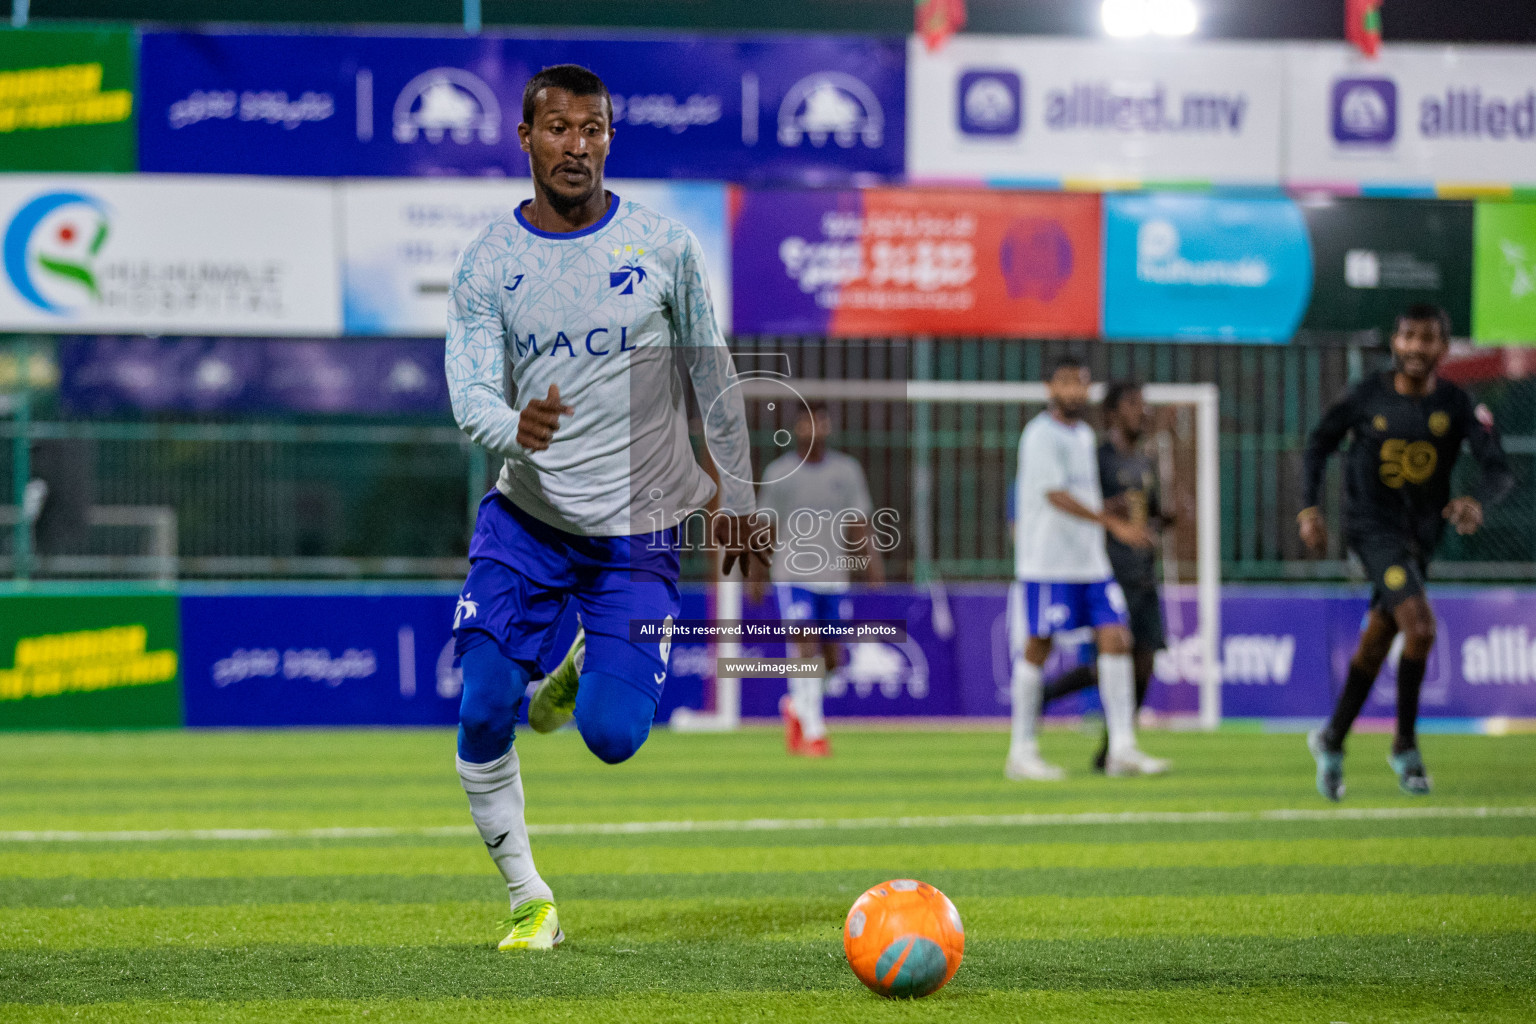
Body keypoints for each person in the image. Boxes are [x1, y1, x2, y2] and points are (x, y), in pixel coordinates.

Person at [444, 64, 765, 951]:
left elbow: (714, 374)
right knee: (482, 705)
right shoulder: (488, 263)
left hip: (637, 532)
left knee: (615, 739)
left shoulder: (663, 247)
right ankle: (528, 899)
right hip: (527, 524)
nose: (575, 145)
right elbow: (469, 394)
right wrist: (517, 426)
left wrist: (737, 493)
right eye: (557, 128)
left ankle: (586, 663)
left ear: (610, 138)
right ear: (526, 138)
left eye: (593, 129)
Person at [1300, 303, 1510, 801]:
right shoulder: (1365, 396)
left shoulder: (1458, 404)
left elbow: (1499, 468)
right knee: (1420, 627)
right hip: (1371, 530)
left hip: (1421, 536)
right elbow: (1318, 444)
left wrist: (1476, 502)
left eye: (1428, 338)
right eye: (1408, 337)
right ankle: (1406, 746)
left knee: (1378, 640)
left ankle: (1331, 739)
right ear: (1395, 342)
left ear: (1443, 346)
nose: (1417, 347)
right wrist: (1308, 509)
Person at [1007, 356, 1169, 781]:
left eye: (1080, 383)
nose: (1074, 392)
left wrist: (1108, 508)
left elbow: (1081, 494)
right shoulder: (1040, 434)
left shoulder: (1082, 435)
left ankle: (1122, 748)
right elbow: (1055, 495)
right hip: (1048, 561)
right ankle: (1021, 750)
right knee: (1039, 645)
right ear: (1049, 388)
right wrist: (1111, 521)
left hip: (1089, 561)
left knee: (1117, 638)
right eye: (1065, 384)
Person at [753, 401, 883, 757]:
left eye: (820, 422)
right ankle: (814, 730)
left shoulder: (847, 471)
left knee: (833, 659)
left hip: (833, 575)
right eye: (807, 423)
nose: (814, 429)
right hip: (791, 575)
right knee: (805, 644)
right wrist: (756, 575)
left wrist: (873, 567)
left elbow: (859, 522)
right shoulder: (778, 472)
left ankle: (797, 706)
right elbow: (766, 528)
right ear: (797, 428)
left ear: (829, 427)